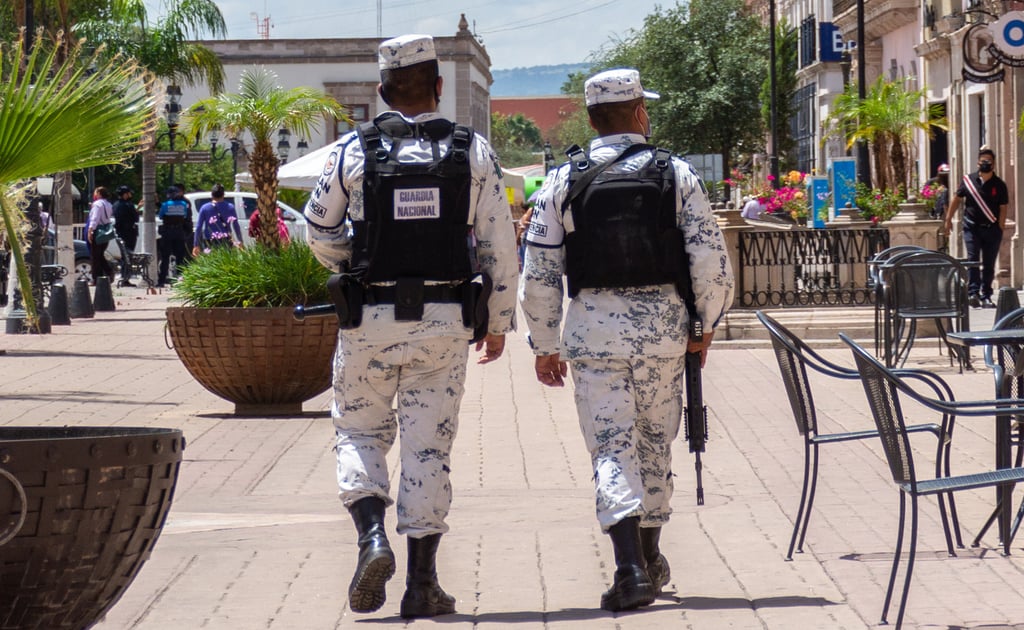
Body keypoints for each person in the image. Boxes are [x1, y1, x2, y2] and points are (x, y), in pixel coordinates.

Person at [303, 34, 518, 619]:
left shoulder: (351, 150)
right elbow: (501, 246)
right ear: (441, 87)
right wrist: (498, 323)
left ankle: (372, 537)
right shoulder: (472, 152)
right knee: (429, 449)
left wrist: (353, 262)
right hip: (445, 322)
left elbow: (317, 231)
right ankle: (422, 584)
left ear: (381, 91)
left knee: (359, 433)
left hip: (368, 321)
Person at [519, 68, 735, 612]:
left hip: (593, 333)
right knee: (654, 444)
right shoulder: (677, 174)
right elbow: (709, 260)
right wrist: (705, 326)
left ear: (592, 120)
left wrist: (544, 342)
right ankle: (650, 554)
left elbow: (540, 270)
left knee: (611, 447)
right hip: (664, 333)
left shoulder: (562, 180)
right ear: (640, 113)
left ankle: (630, 568)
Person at [944, 147, 1008, 308]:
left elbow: (1003, 207)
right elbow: (956, 199)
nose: (985, 164)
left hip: (991, 229)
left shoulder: (999, 185)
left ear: (993, 164)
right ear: (978, 163)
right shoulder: (968, 181)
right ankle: (973, 293)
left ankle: (986, 294)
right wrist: (948, 219)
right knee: (973, 259)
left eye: (989, 162)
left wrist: (1000, 226)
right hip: (971, 227)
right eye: (983, 161)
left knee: (989, 263)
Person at [193, 184, 243, 256]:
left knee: (211, 261)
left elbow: (198, 227)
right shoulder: (230, 207)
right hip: (226, 239)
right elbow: (236, 225)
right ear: (223, 195)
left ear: (212, 195)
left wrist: (196, 244)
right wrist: (240, 240)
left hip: (209, 240)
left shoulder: (204, 208)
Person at [157, 185, 190, 287]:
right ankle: (180, 280)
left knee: (165, 257)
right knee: (180, 257)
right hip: (179, 232)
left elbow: (161, 216)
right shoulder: (184, 204)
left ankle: (162, 281)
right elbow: (184, 216)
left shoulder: (165, 205)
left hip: (167, 233)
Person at [86, 186, 116, 283]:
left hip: (97, 232)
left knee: (95, 256)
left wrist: (90, 231)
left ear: (99, 193)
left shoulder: (97, 204)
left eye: (95, 192)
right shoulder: (108, 204)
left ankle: (96, 278)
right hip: (105, 232)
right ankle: (108, 272)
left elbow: (95, 218)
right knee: (100, 255)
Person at [112, 185, 139, 251]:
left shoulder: (115, 204)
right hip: (129, 233)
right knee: (129, 253)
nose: (130, 195)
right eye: (129, 193)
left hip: (119, 232)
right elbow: (136, 218)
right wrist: (136, 210)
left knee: (124, 253)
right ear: (125, 194)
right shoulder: (129, 205)